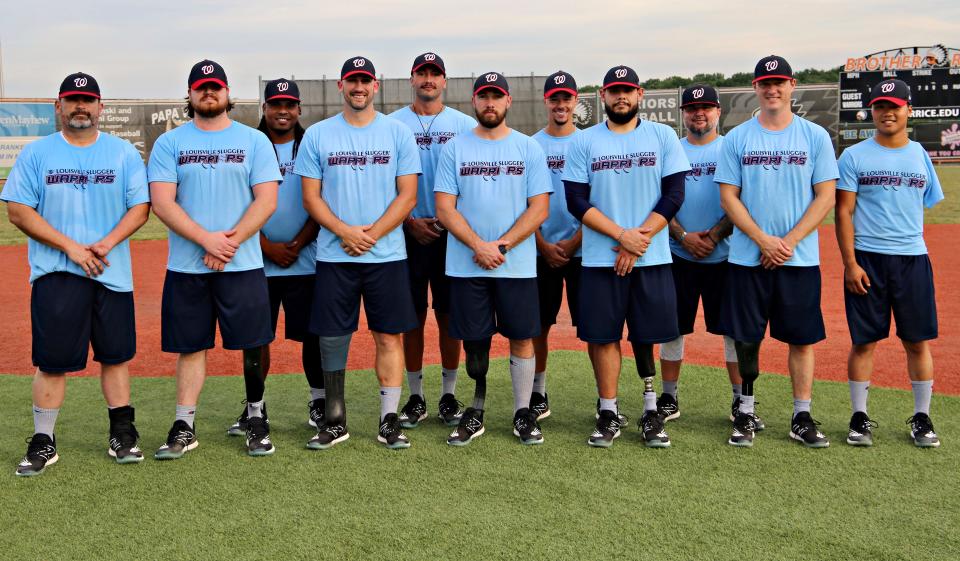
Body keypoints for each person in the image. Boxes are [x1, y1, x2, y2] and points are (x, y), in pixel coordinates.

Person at [3, 72, 150, 476]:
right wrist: (70, 247)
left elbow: (140, 208)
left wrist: (105, 243)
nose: (79, 106)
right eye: (72, 100)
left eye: (87, 100)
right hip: (56, 273)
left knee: (115, 356)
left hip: (110, 271)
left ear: (101, 107)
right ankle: (44, 440)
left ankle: (122, 432)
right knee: (52, 361)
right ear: (58, 106)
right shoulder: (37, 153)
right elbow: (18, 209)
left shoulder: (123, 153)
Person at [149, 60, 281, 459]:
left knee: (253, 344)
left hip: (242, 264)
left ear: (227, 94)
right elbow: (161, 202)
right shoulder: (170, 143)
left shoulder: (254, 141)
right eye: (201, 87)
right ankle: (184, 424)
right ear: (189, 95)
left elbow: (267, 199)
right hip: (188, 266)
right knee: (191, 347)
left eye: (215, 87)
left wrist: (232, 242)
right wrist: (206, 239)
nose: (208, 93)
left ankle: (256, 415)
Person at [295, 56, 421, 450]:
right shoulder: (318, 135)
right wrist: (345, 231)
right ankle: (335, 420)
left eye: (365, 81)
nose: (359, 87)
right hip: (336, 255)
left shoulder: (397, 133)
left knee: (388, 336)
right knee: (332, 338)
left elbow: (408, 195)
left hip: (386, 256)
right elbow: (310, 197)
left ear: (375, 86)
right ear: (341, 86)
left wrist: (372, 234)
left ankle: (389, 419)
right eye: (352, 81)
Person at [563, 64, 689, 448]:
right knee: (603, 337)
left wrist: (639, 239)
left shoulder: (663, 136)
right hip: (602, 258)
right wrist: (622, 236)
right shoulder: (584, 142)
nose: (621, 97)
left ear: (640, 95)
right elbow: (575, 200)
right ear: (602, 95)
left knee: (648, 335)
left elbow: (673, 195)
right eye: (614, 91)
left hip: (650, 257)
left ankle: (651, 412)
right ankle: (608, 410)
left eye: (628, 90)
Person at [715, 55, 838, 448]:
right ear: (755, 88)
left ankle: (801, 415)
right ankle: (746, 412)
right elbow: (729, 198)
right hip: (748, 258)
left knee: (800, 339)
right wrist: (764, 240)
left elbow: (825, 197)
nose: (772, 89)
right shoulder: (738, 137)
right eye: (765, 83)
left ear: (792, 85)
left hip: (798, 258)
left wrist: (787, 242)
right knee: (747, 338)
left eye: (779, 82)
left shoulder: (814, 136)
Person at [434, 72, 552, 446]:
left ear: (508, 102)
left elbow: (540, 207)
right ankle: (477, 408)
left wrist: (501, 245)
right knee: (475, 340)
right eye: (483, 97)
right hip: (467, 263)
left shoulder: (527, 148)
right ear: (474, 102)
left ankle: (522, 411)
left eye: (496, 97)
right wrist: (478, 245)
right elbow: (444, 208)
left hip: (514, 264)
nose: (490, 103)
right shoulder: (455, 147)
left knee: (521, 336)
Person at [835, 78, 943, 448]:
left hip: (913, 259)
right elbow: (844, 212)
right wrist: (850, 263)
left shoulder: (920, 155)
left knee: (917, 341)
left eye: (894, 106)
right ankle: (859, 417)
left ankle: (922, 416)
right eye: (880, 106)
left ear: (908, 110)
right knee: (864, 342)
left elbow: (927, 201)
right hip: (868, 260)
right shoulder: (854, 156)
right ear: (873, 112)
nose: (887, 112)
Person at [658, 84, 764, 430]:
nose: (698, 113)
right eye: (691, 108)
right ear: (683, 114)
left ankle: (739, 398)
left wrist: (714, 236)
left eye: (705, 107)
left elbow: (741, 199)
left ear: (718, 112)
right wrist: (684, 236)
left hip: (726, 257)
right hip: (678, 254)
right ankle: (669, 396)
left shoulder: (729, 148)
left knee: (733, 332)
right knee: (673, 329)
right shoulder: (671, 149)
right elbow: (658, 198)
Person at [225, 78, 325, 437]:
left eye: (290, 105)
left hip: (307, 259)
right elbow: (240, 201)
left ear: (299, 110)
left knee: (312, 338)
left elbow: (320, 201)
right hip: (256, 260)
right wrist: (267, 245)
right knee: (257, 339)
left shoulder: (310, 145)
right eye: (275, 104)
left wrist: (297, 244)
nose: (283, 111)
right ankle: (255, 407)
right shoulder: (250, 145)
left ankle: (318, 402)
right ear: (263, 109)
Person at [389, 53, 476, 428]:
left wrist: (449, 223)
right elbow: (385, 181)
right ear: (411, 79)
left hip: (449, 236)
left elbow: (470, 183)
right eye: (422, 73)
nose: (428, 79)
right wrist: (407, 220)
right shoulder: (390, 124)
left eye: (434, 74)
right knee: (412, 317)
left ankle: (447, 394)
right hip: (405, 233)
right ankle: (415, 396)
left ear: (444, 81)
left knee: (448, 316)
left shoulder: (465, 124)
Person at [530, 70, 582, 421]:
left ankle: (604, 400)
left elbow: (600, 201)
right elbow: (522, 203)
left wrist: (575, 240)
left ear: (575, 101)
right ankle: (538, 391)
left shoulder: (590, 142)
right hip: (539, 249)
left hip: (583, 249)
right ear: (546, 102)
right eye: (555, 98)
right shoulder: (530, 145)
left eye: (566, 98)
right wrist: (542, 244)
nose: (560, 104)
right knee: (538, 325)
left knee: (596, 329)